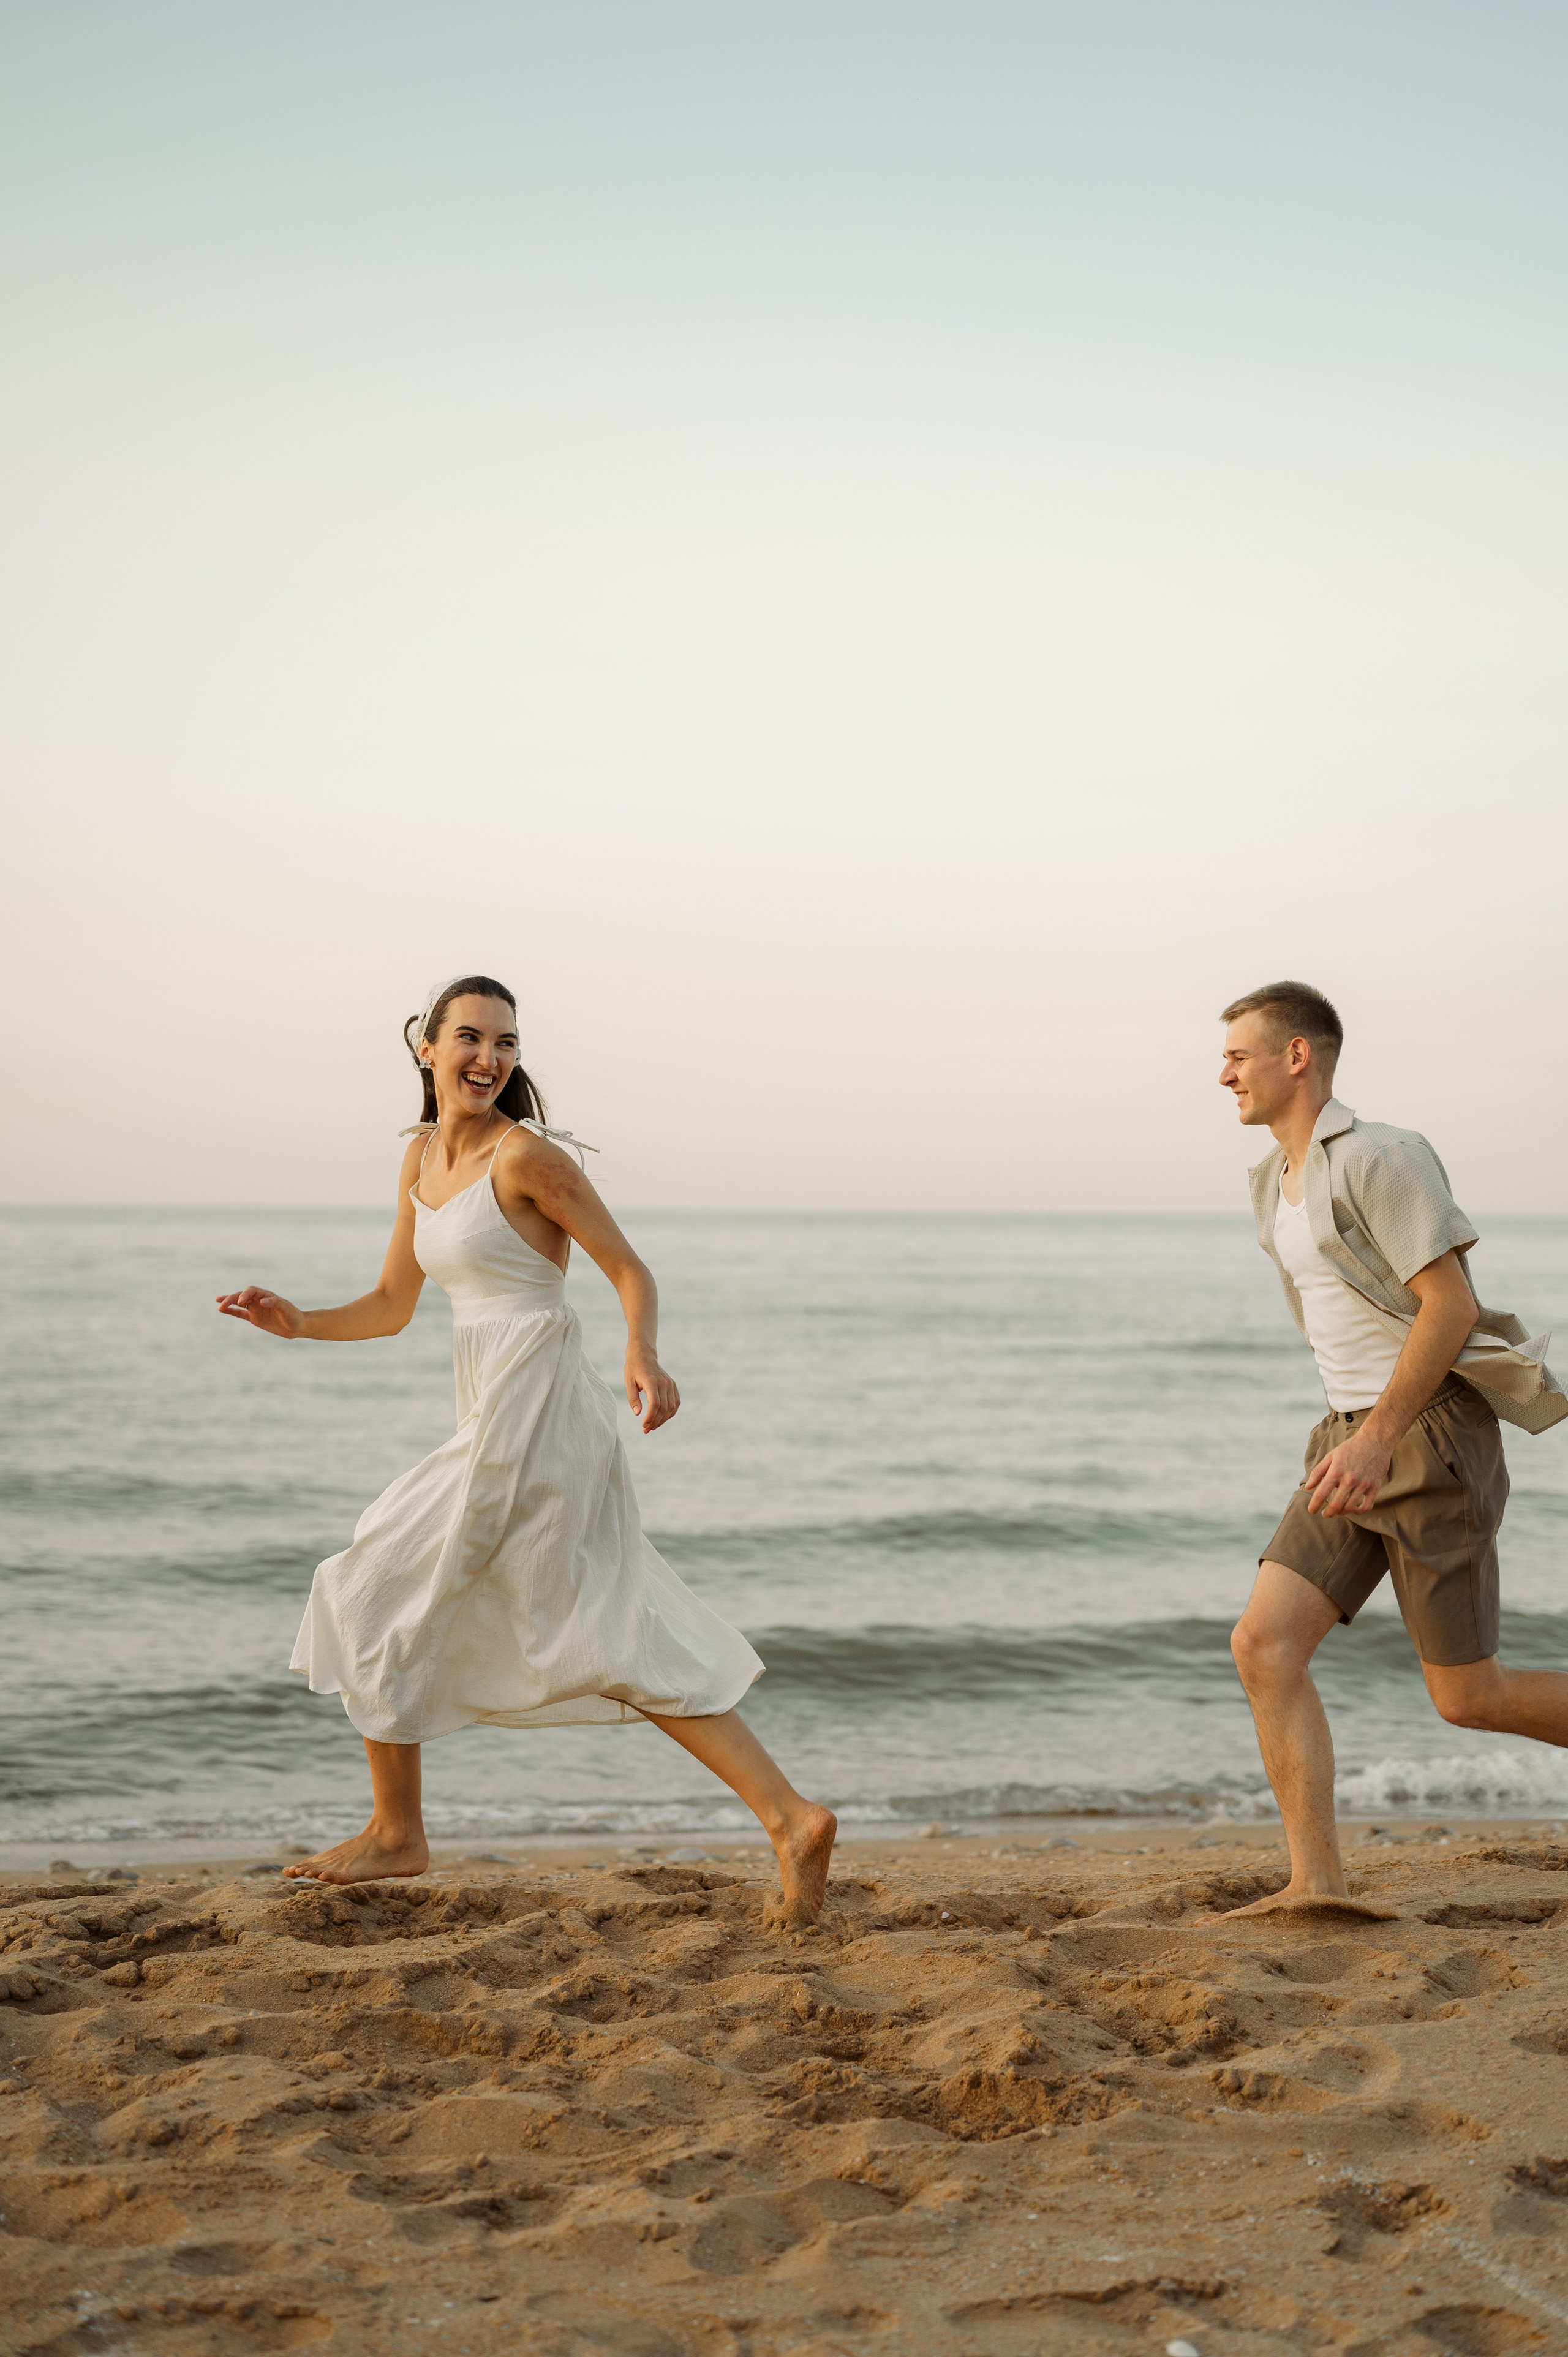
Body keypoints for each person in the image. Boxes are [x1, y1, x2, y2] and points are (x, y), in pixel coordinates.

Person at [216, 974, 836, 1921]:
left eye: (505, 1043)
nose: (489, 1058)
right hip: (496, 1414)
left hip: (539, 1410)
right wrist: (297, 1321)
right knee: (586, 1626)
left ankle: (398, 1834)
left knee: (376, 1585)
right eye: (469, 1038)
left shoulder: (526, 1158)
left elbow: (628, 1268)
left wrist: (642, 1350)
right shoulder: (421, 1163)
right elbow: (391, 1308)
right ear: (426, 1048)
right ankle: (788, 1816)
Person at [1213, 980, 1566, 1921]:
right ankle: (1315, 1884)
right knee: (1264, 1645)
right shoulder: (1270, 1183)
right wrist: (1355, 1436)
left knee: (1470, 1698)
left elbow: (1448, 1305)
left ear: (1298, 1057)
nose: (1223, 1075)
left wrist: (1378, 1438)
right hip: (1350, 1437)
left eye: (1239, 1056)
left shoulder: (1381, 1157)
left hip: (1424, 1435)